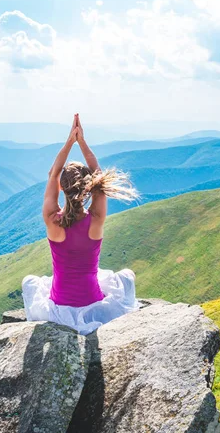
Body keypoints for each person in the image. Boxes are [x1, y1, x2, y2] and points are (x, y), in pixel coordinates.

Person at [22, 114, 140, 335]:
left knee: (30, 282)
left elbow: (52, 174)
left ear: (62, 188)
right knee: (126, 276)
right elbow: (99, 176)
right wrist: (82, 142)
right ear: (89, 187)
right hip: (92, 304)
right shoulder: (95, 220)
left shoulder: (52, 220)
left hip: (59, 307)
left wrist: (69, 142)